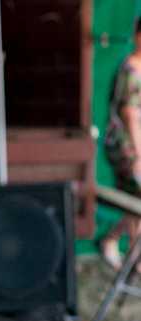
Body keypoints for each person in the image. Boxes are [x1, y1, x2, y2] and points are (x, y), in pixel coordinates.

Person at [101, 16, 141, 270]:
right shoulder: (130, 69)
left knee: (136, 203)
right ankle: (130, 253)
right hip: (126, 146)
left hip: (136, 145)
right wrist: (139, 155)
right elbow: (129, 115)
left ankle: (124, 249)